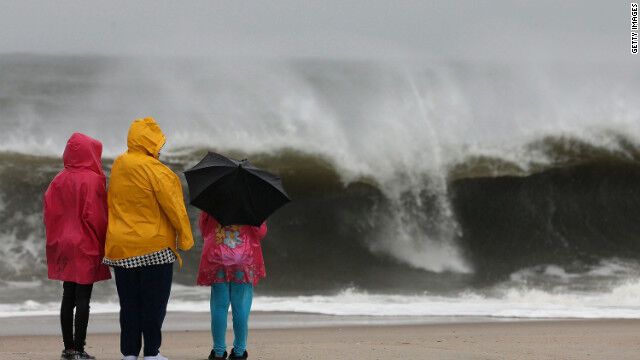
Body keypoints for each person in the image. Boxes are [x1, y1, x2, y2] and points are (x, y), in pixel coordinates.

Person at [103, 118, 194, 360]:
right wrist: (185, 239)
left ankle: (129, 353)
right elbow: (175, 208)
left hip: (121, 247)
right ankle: (152, 353)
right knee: (153, 305)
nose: (160, 148)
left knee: (129, 304)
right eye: (158, 143)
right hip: (155, 246)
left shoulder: (119, 164)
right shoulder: (158, 171)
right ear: (151, 143)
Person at [44, 132, 112, 360]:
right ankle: (80, 348)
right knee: (84, 297)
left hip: (63, 243)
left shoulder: (58, 179)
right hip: (85, 243)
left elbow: (49, 214)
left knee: (68, 295)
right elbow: (97, 217)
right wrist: (106, 241)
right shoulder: (93, 180)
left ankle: (68, 348)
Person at [197, 212, 268, 360]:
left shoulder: (212, 198)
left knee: (219, 306)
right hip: (243, 258)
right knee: (240, 306)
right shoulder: (250, 203)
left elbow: (204, 230)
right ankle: (239, 352)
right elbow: (261, 232)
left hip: (217, 257)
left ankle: (218, 352)